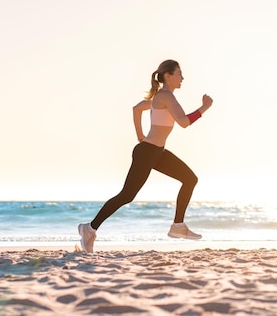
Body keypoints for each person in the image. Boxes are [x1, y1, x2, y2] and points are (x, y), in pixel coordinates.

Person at [78, 59, 213, 253]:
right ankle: (89, 228)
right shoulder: (166, 96)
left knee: (190, 179)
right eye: (179, 74)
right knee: (127, 195)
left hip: (156, 152)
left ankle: (178, 226)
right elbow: (183, 122)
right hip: (147, 152)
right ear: (168, 76)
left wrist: (140, 135)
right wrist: (204, 107)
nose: (182, 77)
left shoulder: (160, 98)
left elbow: (136, 109)